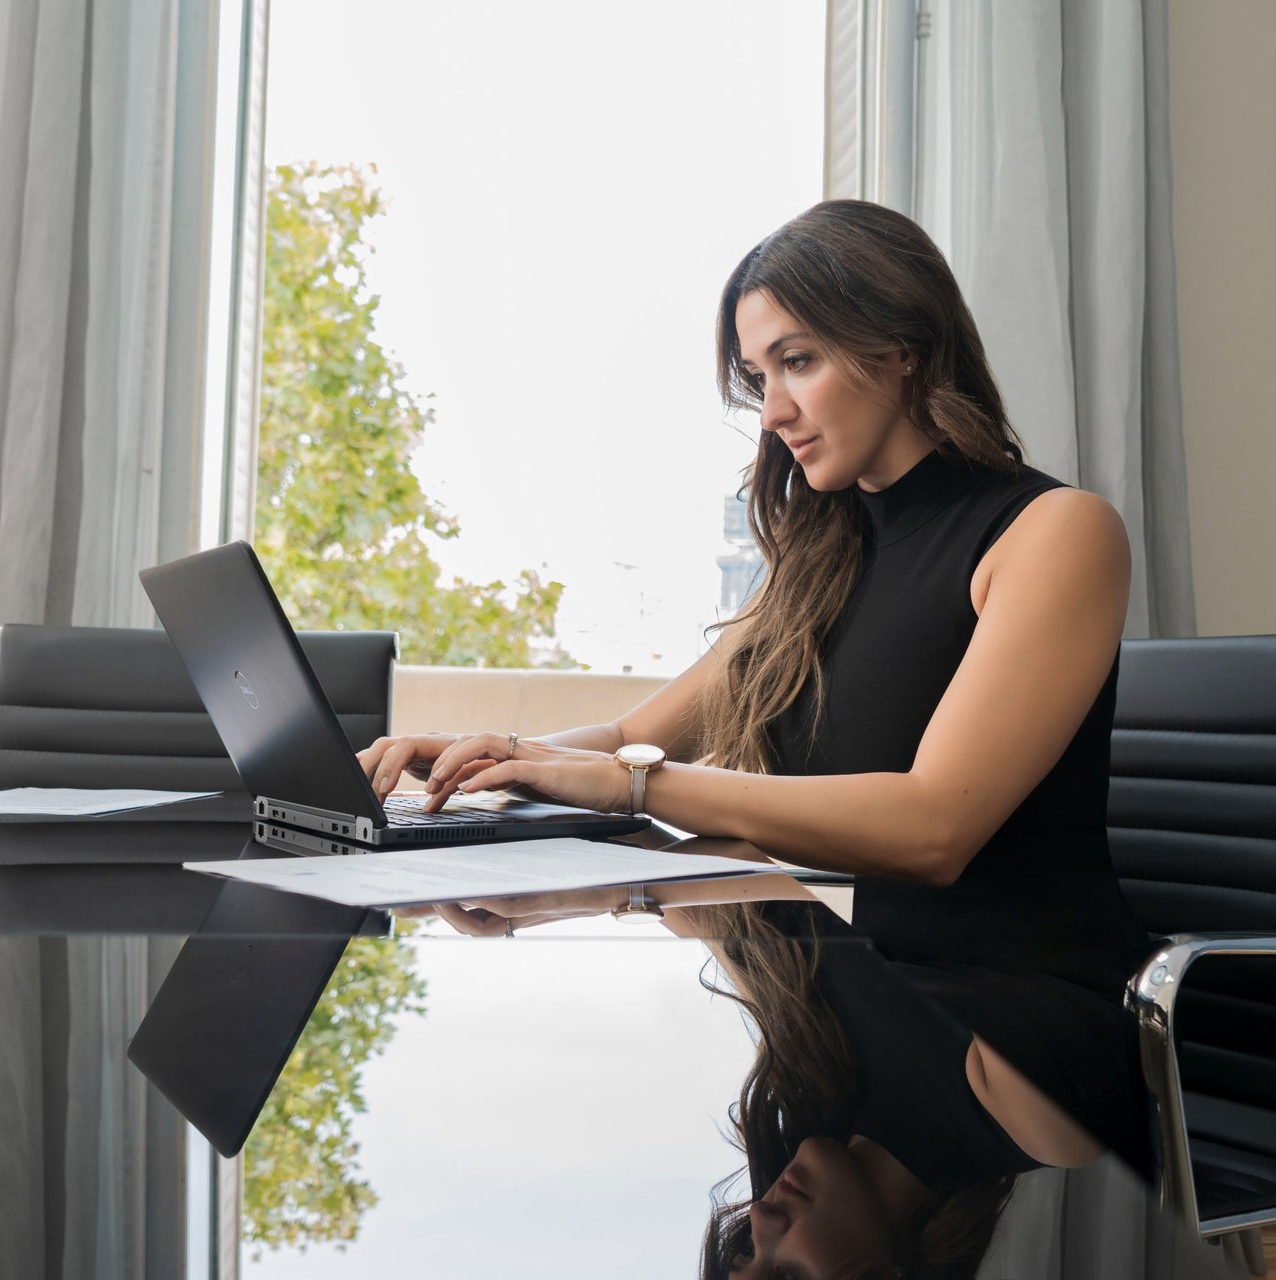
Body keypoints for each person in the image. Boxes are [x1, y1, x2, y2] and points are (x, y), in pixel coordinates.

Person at [361, 198, 1155, 1267]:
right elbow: (639, 736)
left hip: (1029, 992)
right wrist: (480, 753)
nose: (774, 408)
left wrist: (636, 786)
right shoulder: (822, 562)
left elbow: (932, 828)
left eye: (797, 363)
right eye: (762, 373)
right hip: (866, 957)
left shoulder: (1054, 532)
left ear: (907, 352)